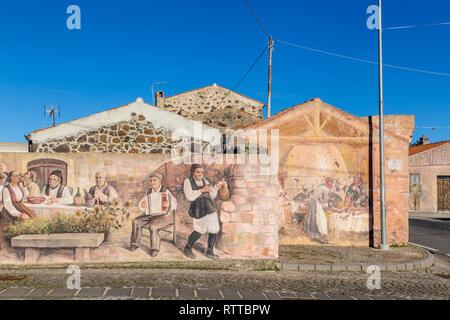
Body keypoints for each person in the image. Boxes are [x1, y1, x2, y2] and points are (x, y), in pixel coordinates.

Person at [182, 164, 228, 260]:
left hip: (209, 208)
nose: (200, 174)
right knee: (199, 230)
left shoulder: (205, 181)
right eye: (197, 172)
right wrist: (202, 190)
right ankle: (187, 248)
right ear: (193, 172)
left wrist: (216, 187)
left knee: (214, 229)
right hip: (199, 209)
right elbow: (189, 196)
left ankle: (210, 251)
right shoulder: (188, 181)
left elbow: (212, 195)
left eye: (201, 172)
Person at [130, 172, 177, 257]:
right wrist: (142, 205)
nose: (152, 182)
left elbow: (174, 203)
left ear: (159, 182)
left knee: (153, 227)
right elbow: (141, 204)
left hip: (163, 216)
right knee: (135, 221)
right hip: (150, 215)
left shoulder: (165, 191)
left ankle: (154, 249)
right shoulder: (148, 191)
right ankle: (134, 243)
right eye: (151, 180)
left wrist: (168, 204)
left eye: (154, 180)